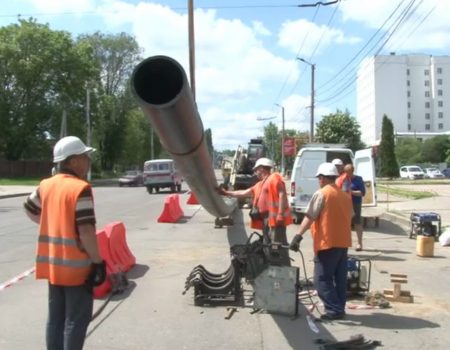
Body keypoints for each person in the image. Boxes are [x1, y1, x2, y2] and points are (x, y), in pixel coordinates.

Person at [24, 136, 106, 350]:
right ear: (73, 161)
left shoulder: (46, 185)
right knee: (76, 321)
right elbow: (86, 230)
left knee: (55, 319)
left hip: (52, 267)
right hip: (77, 269)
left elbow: (29, 208)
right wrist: (98, 262)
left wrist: (50, 223)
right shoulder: (80, 188)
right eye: (85, 156)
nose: (88, 161)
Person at [289, 162, 352, 320]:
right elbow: (350, 216)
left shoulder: (322, 194)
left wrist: (298, 236)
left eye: (319, 178)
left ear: (323, 178)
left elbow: (310, 216)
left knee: (321, 279)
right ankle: (339, 307)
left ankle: (334, 310)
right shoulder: (344, 195)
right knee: (339, 279)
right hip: (343, 242)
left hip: (327, 243)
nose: (319, 180)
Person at [217, 157, 292, 266]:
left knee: (278, 246)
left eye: (256, 169)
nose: (255, 172)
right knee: (268, 246)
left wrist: (280, 214)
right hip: (266, 220)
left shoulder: (274, 177)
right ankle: (272, 270)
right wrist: (227, 193)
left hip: (275, 220)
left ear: (262, 168)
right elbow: (244, 192)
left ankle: (285, 272)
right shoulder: (260, 184)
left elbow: (282, 194)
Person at [344, 163, 366, 251]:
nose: (346, 174)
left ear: (352, 171)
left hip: (355, 203)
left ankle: (359, 243)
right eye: (345, 172)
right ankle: (345, 243)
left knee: (357, 223)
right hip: (345, 203)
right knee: (345, 224)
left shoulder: (358, 179)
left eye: (348, 172)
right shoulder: (344, 179)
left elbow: (362, 193)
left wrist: (351, 192)